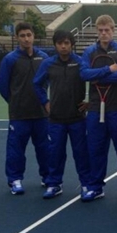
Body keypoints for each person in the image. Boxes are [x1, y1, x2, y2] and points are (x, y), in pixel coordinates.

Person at [80, 15, 117, 202]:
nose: (104, 33)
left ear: (113, 30)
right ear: (97, 31)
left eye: (107, 30)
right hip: (95, 109)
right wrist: (108, 70)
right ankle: (95, 187)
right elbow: (84, 73)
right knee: (96, 150)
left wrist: (98, 78)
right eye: (101, 30)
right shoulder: (89, 52)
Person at [33, 30, 91, 199]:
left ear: (72, 44)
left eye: (66, 43)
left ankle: (86, 184)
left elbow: (94, 82)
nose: (63, 46)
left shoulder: (80, 63)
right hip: (56, 119)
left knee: (81, 153)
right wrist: (45, 102)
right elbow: (37, 84)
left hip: (77, 118)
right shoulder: (48, 64)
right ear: (55, 45)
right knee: (55, 153)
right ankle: (54, 184)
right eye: (60, 43)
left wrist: (90, 103)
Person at [0, 22, 50, 194]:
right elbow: (3, 86)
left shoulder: (43, 57)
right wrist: (15, 102)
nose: (26, 38)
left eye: (29, 35)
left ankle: (48, 177)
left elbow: (47, 81)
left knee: (44, 148)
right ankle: (15, 180)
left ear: (34, 36)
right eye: (22, 35)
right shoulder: (10, 59)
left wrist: (43, 101)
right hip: (19, 115)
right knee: (15, 150)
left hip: (41, 114)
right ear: (17, 37)